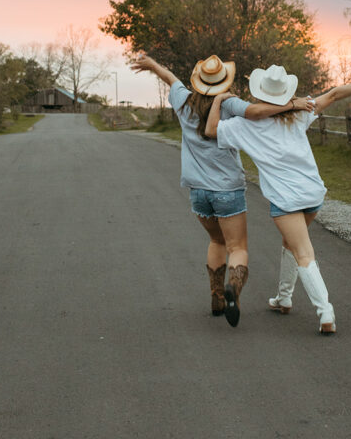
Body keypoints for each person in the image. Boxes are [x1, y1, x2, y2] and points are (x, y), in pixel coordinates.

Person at [205, 63, 351, 334]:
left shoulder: (242, 126)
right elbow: (335, 94)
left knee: (303, 252)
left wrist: (219, 99)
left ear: (259, 95)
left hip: (287, 200)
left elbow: (211, 130)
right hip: (313, 193)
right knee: (291, 243)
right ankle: (284, 298)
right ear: (284, 94)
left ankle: (325, 312)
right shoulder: (298, 113)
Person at [131, 54, 313, 327]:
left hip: (198, 191)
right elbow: (256, 112)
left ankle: (217, 298)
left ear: (198, 82)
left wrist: (152, 65)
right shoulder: (229, 103)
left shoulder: (183, 100)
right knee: (237, 247)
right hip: (227, 189)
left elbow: (170, 77)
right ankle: (233, 290)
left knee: (216, 242)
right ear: (222, 82)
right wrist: (292, 104)